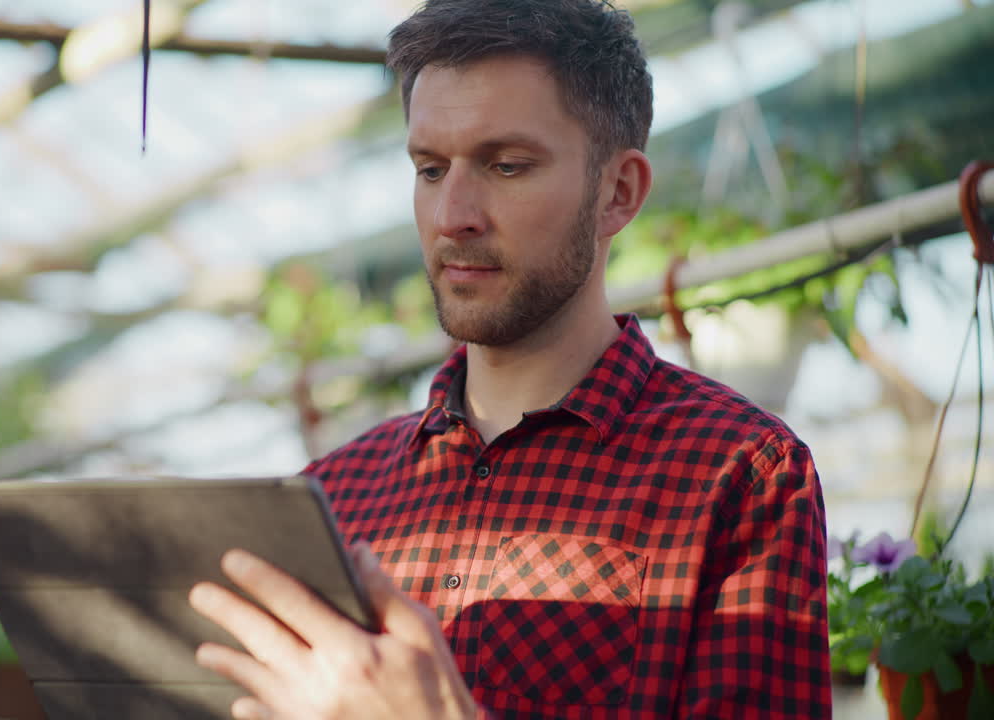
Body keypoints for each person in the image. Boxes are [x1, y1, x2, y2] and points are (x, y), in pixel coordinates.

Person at [188, 0, 832, 718]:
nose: (452, 214)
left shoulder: (739, 474)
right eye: (430, 169)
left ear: (618, 193)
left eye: (507, 165)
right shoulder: (330, 499)